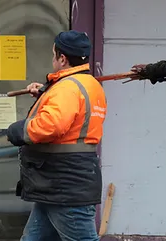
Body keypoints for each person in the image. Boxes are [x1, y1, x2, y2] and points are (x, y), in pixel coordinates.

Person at [6, 30, 107, 241]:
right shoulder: (89, 85)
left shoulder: (67, 89)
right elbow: (73, 120)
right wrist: (46, 93)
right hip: (60, 183)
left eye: (53, 54)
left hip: (64, 184)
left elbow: (51, 126)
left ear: (62, 58)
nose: (52, 59)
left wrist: (18, 130)